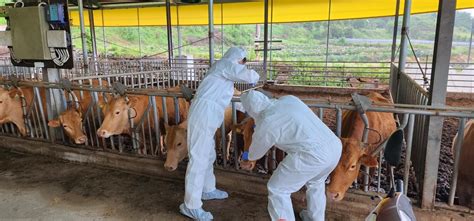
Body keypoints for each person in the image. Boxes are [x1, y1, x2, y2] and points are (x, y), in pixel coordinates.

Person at [180, 47, 260, 220]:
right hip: (203, 114)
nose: (242, 65)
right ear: (237, 59)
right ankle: (190, 205)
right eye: (242, 62)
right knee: (198, 158)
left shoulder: (224, 74)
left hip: (208, 115)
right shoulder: (225, 64)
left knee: (207, 156)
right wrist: (257, 76)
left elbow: (234, 95)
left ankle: (207, 189)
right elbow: (250, 76)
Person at [239, 90, 342, 221]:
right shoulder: (289, 99)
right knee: (316, 183)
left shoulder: (267, 121)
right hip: (334, 146)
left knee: (278, 189)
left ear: (251, 111)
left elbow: (256, 150)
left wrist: (249, 157)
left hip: (311, 155)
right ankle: (314, 218)